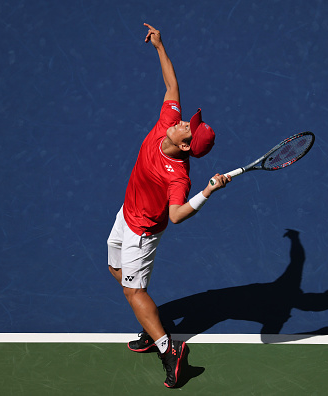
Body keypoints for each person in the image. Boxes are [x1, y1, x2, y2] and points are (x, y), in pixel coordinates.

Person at [107, 23, 231, 388]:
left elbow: (176, 215)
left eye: (186, 128)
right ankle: (152, 323)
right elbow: (172, 87)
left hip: (143, 229)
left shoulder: (179, 176)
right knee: (115, 268)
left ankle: (169, 349)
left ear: (187, 146)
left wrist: (207, 192)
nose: (179, 122)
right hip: (124, 214)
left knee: (133, 291)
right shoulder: (167, 123)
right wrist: (160, 46)